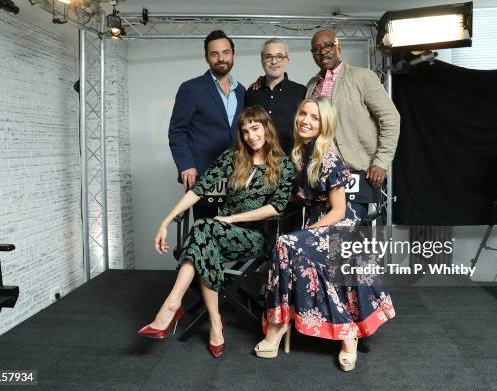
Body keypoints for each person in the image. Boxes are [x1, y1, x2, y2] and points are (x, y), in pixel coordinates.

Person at [140, 106, 296, 359]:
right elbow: (198, 190)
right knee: (204, 237)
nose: (250, 136)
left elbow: (275, 207)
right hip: (218, 231)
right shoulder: (233, 157)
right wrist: (165, 222)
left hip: (254, 236)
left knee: (203, 230)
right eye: (245, 131)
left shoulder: (283, 165)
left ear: (267, 128)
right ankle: (214, 321)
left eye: (255, 128)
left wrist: (231, 218)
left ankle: (172, 306)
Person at [254, 96, 395, 371]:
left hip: (340, 228)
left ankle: (342, 334)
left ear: (325, 124)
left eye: (314, 117)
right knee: (288, 245)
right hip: (319, 224)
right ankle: (281, 323)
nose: (305, 121)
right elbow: (303, 197)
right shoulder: (301, 152)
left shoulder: (329, 156)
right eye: (303, 114)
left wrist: (306, 234)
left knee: (287, 243)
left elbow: (339, 211)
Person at [308, 29, 400, 189]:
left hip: (355, 172)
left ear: (339, 47)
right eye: (316, 49)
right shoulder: (312, 84)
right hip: (320, 173)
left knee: (349, 215)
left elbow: (391, 118)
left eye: (328, 46)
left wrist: (381, 161)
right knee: (320, 216)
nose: (323, 52)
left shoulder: (363, 77)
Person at [168, 30, 246, 220]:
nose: (221, 58)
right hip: (203, 176)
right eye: (214, 54)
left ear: (233, 55)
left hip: (236, 177)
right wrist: (186, 165)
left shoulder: (242, 91)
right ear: (207, 58)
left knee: (234, 234)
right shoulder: (191, 89)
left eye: (226, 52)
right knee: (206, 236)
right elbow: (177, 131)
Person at [245, 38, 307, 155]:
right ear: (262, 60)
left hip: (290, 162)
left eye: (279, 56)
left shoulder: (301, 92)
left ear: (287, 60)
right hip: (257, 162)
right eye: (268, 57)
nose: (274, 61)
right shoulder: (251, 93)